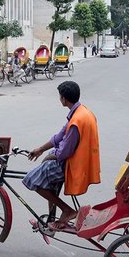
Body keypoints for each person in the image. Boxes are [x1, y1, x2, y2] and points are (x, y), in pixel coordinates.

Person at [23, 81, 100, 232]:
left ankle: (67, 210)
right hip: (81, 161)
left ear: (63, 99)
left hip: (72, 165)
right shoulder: (82, 111)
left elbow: (64, 152)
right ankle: (51, 220)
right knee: (44, 172)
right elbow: (59, 136)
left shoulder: (76, 122)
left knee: (32, 179)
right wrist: (40, 149)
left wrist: (49, 156)